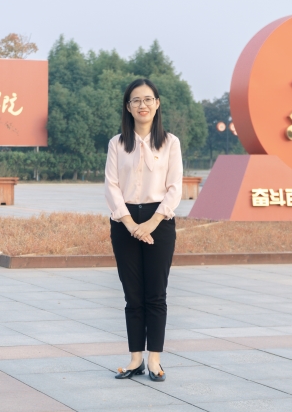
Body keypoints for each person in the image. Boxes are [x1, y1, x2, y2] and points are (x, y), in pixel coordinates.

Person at [104, 78, 182, 382]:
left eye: (148, 99)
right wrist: (130, 224)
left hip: (158, 222)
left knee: (156, 295)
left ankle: (154, 360)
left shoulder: (170, 143)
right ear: (128, 107)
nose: (142, 105)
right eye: (136, 100)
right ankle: (135, 358)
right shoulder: (117, 143)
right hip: (124, 222)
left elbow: (174, 188)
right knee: (132, 294)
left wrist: (150, 224)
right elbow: (111, 186)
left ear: (157, 104)